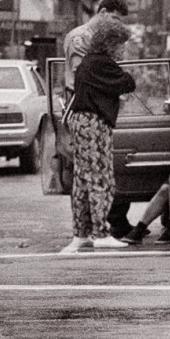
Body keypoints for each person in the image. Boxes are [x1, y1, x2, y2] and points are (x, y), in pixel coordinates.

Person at [62, 19, 137, 252]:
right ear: (111, 44)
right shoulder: (102, 64)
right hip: (94, 123)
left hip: (81, 122)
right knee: (101, 179)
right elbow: (128, 82)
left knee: (83, 180)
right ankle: (101, 232)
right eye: (122, 45)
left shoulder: (88, 63)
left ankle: (81, 233)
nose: (123, 49)